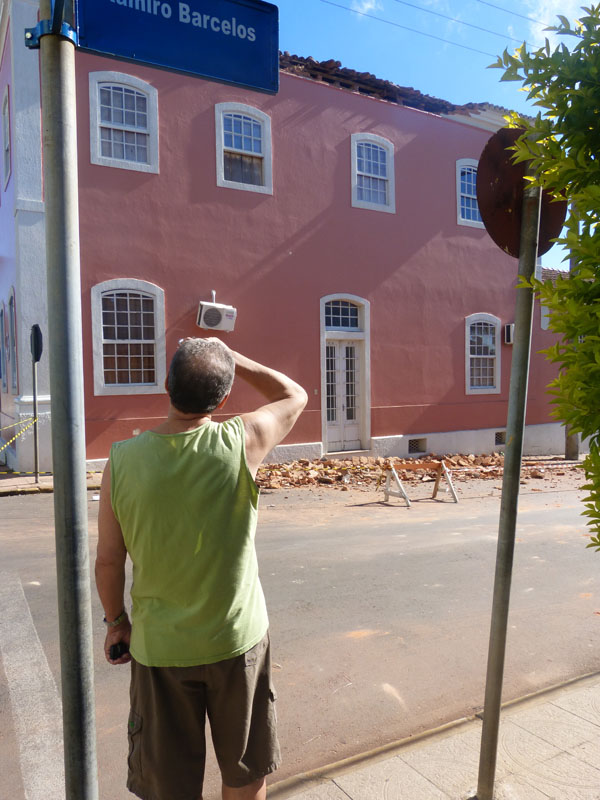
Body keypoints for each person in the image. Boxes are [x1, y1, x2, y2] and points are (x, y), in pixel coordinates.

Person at [95, 338, 308, 800]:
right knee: (245, 775)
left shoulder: (121, 462)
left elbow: (109, 561)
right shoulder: (242, 440)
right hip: (237, 643)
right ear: (225, 398)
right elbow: (295, 395)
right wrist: (235, 356)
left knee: (167, 785)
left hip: (160, 653)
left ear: (167, 385)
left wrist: (116, 624)